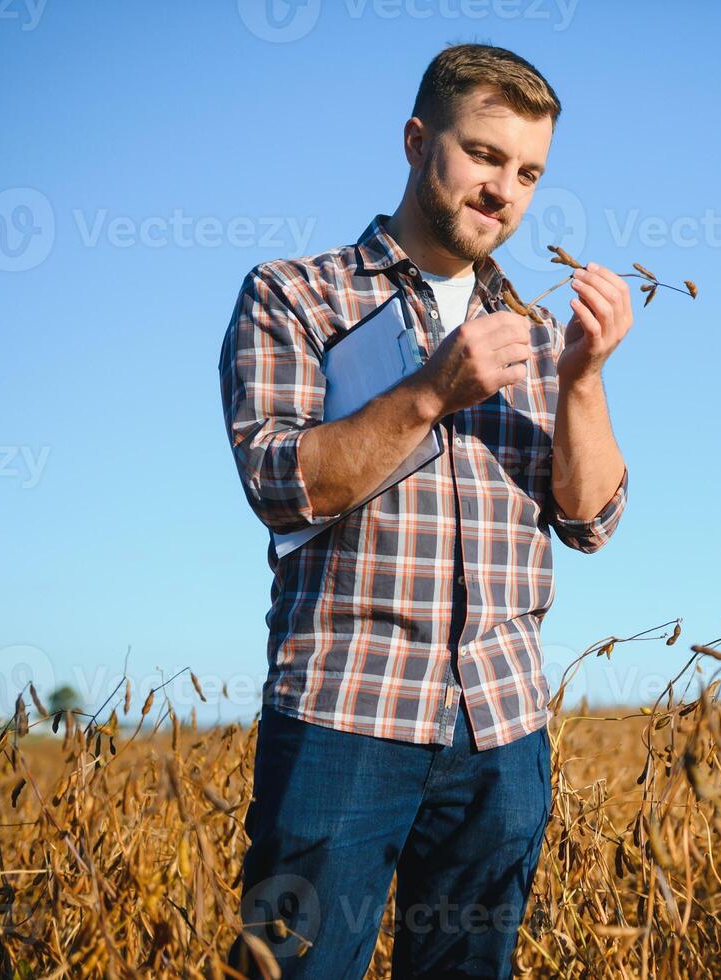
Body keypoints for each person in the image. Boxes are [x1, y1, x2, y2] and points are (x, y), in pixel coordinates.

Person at [216, 42, 632, 979]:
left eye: (528, 172)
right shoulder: (295, 294)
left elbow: (591, 519)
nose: (504, 190)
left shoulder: (528, 324)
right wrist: (434, 387)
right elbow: (283, 484)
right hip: (342, 720)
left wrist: (582, 381)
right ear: (415, 140)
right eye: (483, 155)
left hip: (500, 733)